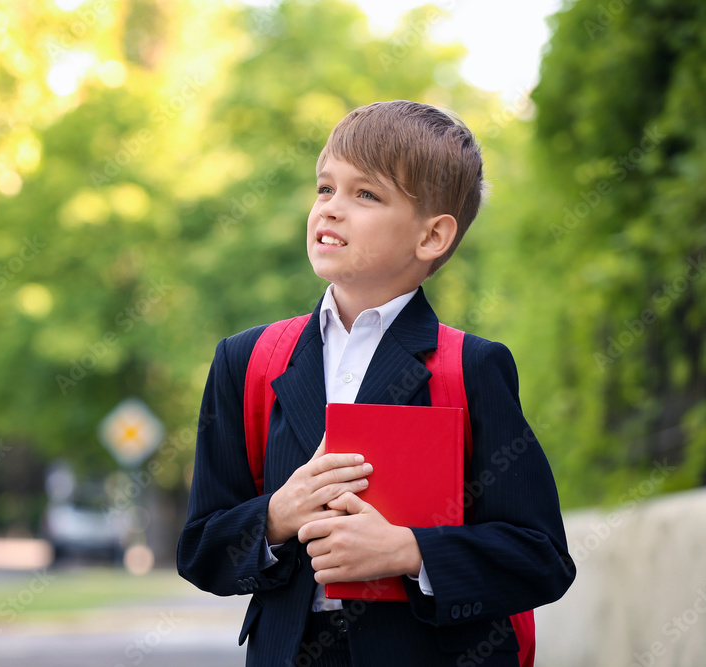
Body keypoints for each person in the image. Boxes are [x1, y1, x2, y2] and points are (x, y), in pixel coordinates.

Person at [177, 101, 576, 666]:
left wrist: (410, 551)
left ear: (433, 236)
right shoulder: (247, 361)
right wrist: (276, 515)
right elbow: (201, 551)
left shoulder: (470, 366)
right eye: (324, 189)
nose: (331, 210)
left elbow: (542, 559)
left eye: (366, 195)